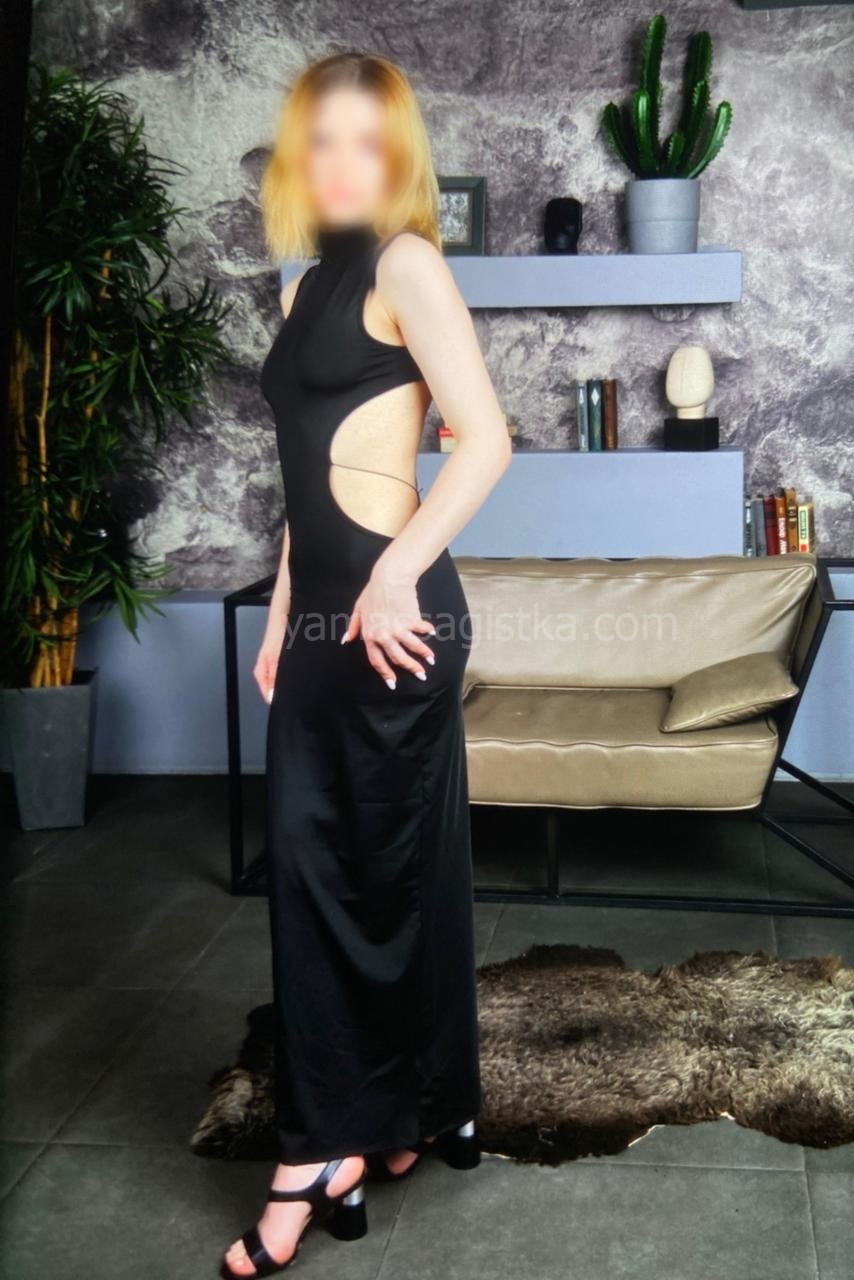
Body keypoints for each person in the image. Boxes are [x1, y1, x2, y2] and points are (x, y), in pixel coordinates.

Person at [222, 51, 510, 1278]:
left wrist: (394, 575)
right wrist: (282, 613)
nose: (343, 163)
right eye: (322, 140)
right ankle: (404, 1104)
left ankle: (314, 1152)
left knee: (368, 876)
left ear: (398, 157)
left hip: (399, 618)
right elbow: (306, 481)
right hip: (324, 621)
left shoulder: (408, 265)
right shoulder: (303, 286)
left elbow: (486, 440)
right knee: (325, 871)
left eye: (366, 141)